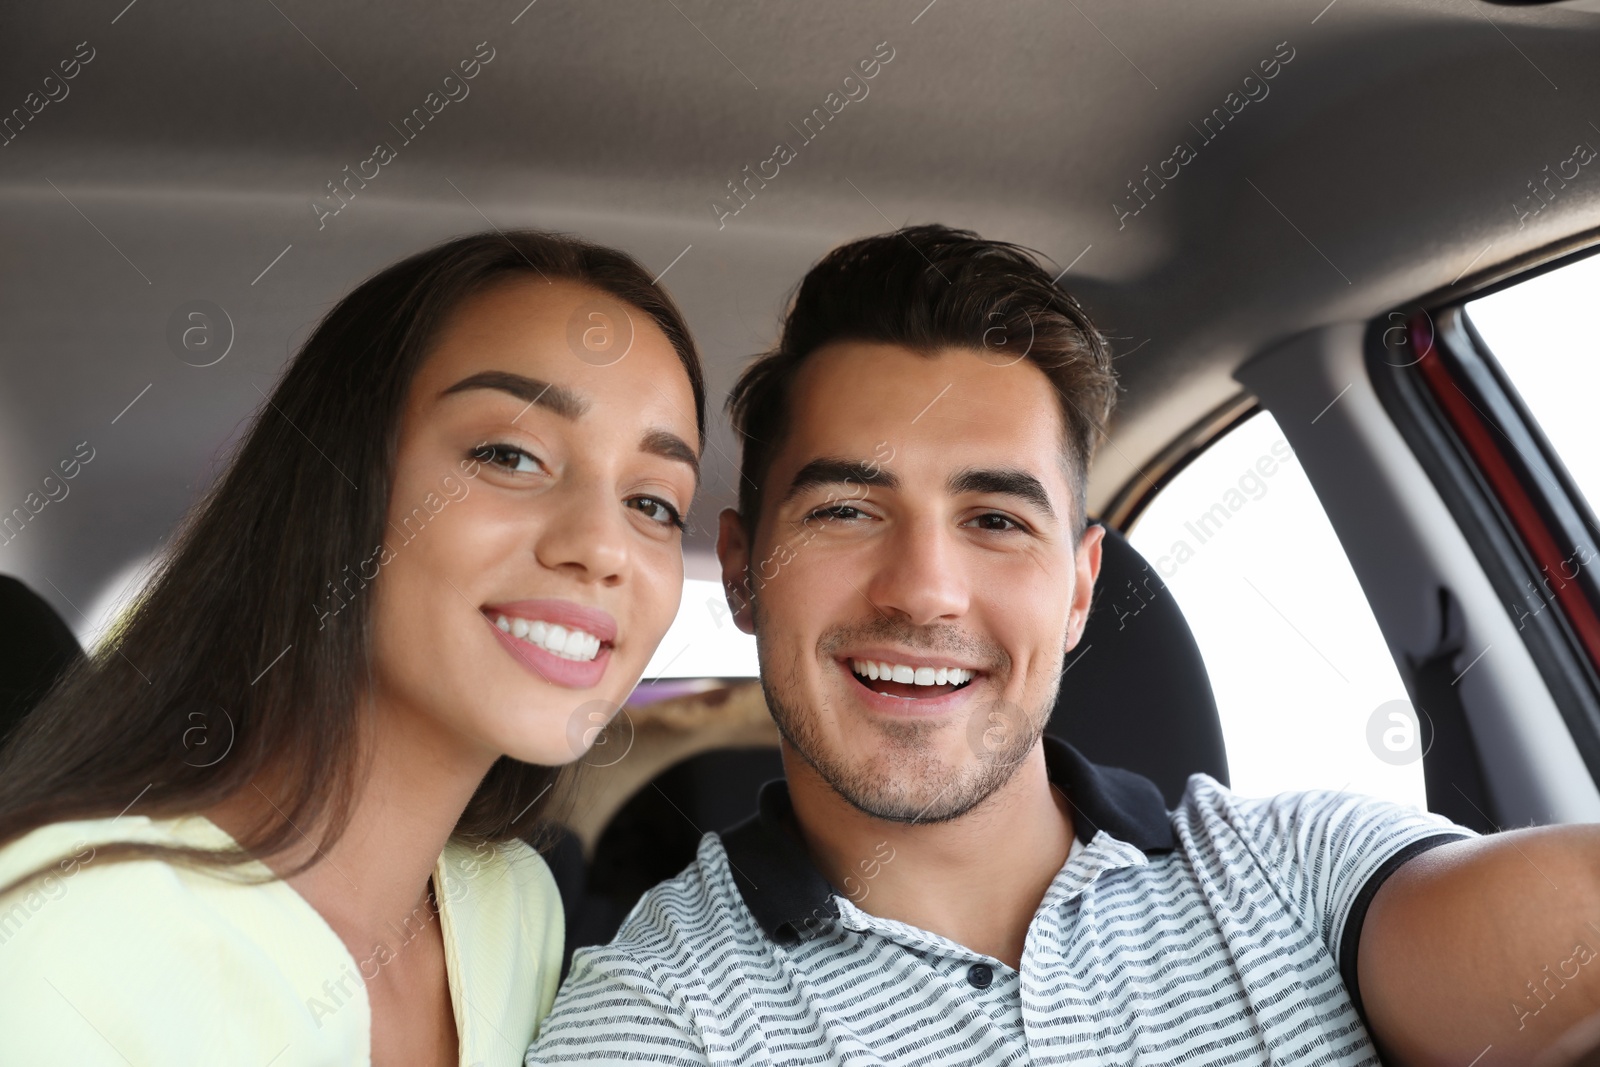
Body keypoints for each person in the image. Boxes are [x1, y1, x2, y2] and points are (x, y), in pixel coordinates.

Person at [527, 225, 1600, 1065]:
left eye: (995, 519)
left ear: (1081, 589)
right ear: (746, 570)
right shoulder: (651, 1018)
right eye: (847, 511)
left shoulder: (1298, 871)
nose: (924, 590)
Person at [0, 230, 706, 1065]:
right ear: (342, 483)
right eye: (509, 454)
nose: (604, 545)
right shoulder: (70, 937)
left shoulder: (512, 908)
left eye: (655, 503)